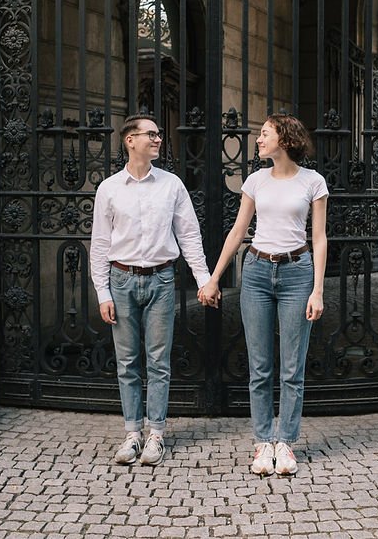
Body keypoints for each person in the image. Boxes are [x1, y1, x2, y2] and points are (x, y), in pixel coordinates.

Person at [198, 113, 328, 476]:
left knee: (291, 367)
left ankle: (284, 442)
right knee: (259, 366)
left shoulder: (313, 182)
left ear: (284, 139)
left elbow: (318, 238)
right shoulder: (255, 181)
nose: (259, 139)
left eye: (265, 133)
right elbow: (238, 231)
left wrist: (317, 290)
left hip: (297, 273)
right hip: (255, 272)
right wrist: (214, 278)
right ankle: (262, 443)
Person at [90, 113, 211, 466]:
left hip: (161, 280)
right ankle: (132, 433)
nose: (158, 139)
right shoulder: (109, 189)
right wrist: (102, 292)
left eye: (158, 135)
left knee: (158, 361)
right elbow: (100, 242)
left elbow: (189, 235)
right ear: (130, 140)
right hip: (121, 279)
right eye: (151, 134)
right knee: (127, 362)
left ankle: (156, 433)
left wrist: (203, 279)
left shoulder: (172, 185)